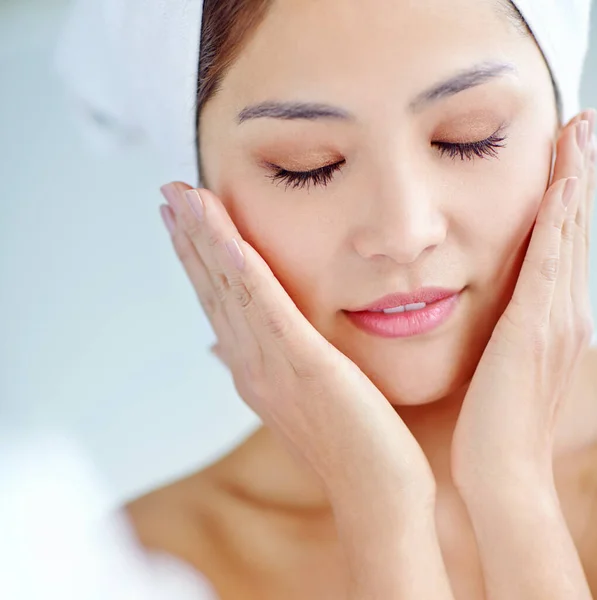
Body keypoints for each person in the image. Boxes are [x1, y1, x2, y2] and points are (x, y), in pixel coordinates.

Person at [56, 0, 597, 598]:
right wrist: (382, 514)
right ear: (198, 197)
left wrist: (513, 491)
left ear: (568, 133)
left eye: (470, 138)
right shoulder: (138, 566)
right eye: (307, 167)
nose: (404, 233)